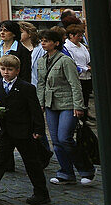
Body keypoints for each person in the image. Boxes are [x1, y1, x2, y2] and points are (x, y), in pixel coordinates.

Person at [0, 55, 50, 205]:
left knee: (31, 163)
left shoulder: (26, 88)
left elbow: (35, 110)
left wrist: (38, 129)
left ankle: (41, 192)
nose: (6, 72)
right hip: (5, 130)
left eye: (9, 69)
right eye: (3, 69)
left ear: (17, 70)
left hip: (23, 131)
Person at [36, 29, 92, 186]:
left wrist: (79, 105)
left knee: (65, 138)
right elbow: (41, 84)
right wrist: (40, 103)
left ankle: (86, 169)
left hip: (67, 103)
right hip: (51, 104)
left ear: (56, 43)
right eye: (42, 40)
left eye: (46, 40)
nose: (43, 43)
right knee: (56, 141)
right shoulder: (41, 61)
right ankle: (66, 172)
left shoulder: (65, 60)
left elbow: (75, 84)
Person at [63, 24, 92, 112]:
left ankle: (85, 115)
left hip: (87, 76)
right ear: (71, 35)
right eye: (78, 36)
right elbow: (72, 62)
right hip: (78, 76)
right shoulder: (67, 47)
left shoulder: (81, 45)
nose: (80, 38)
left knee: (86, 98)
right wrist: (85, 68)